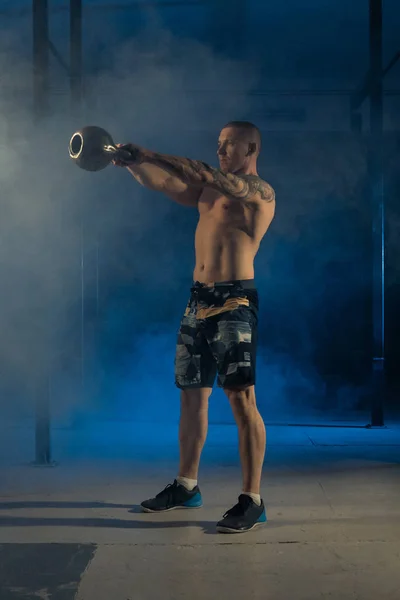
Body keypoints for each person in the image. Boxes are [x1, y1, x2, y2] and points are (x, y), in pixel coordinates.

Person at [113, 121, 275, 533]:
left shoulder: (260, 193)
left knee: (241, 399)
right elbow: (166, 184)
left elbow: (198, 171)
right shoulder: (209, 193)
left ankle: (252, 499)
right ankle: (187, 486)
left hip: (234, 301)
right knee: (192, 396)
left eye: (228, 145)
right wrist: (130, 163)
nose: (220, 151)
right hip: (198, 300)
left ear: (250, 148)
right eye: (218, 144)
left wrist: (148, 151)